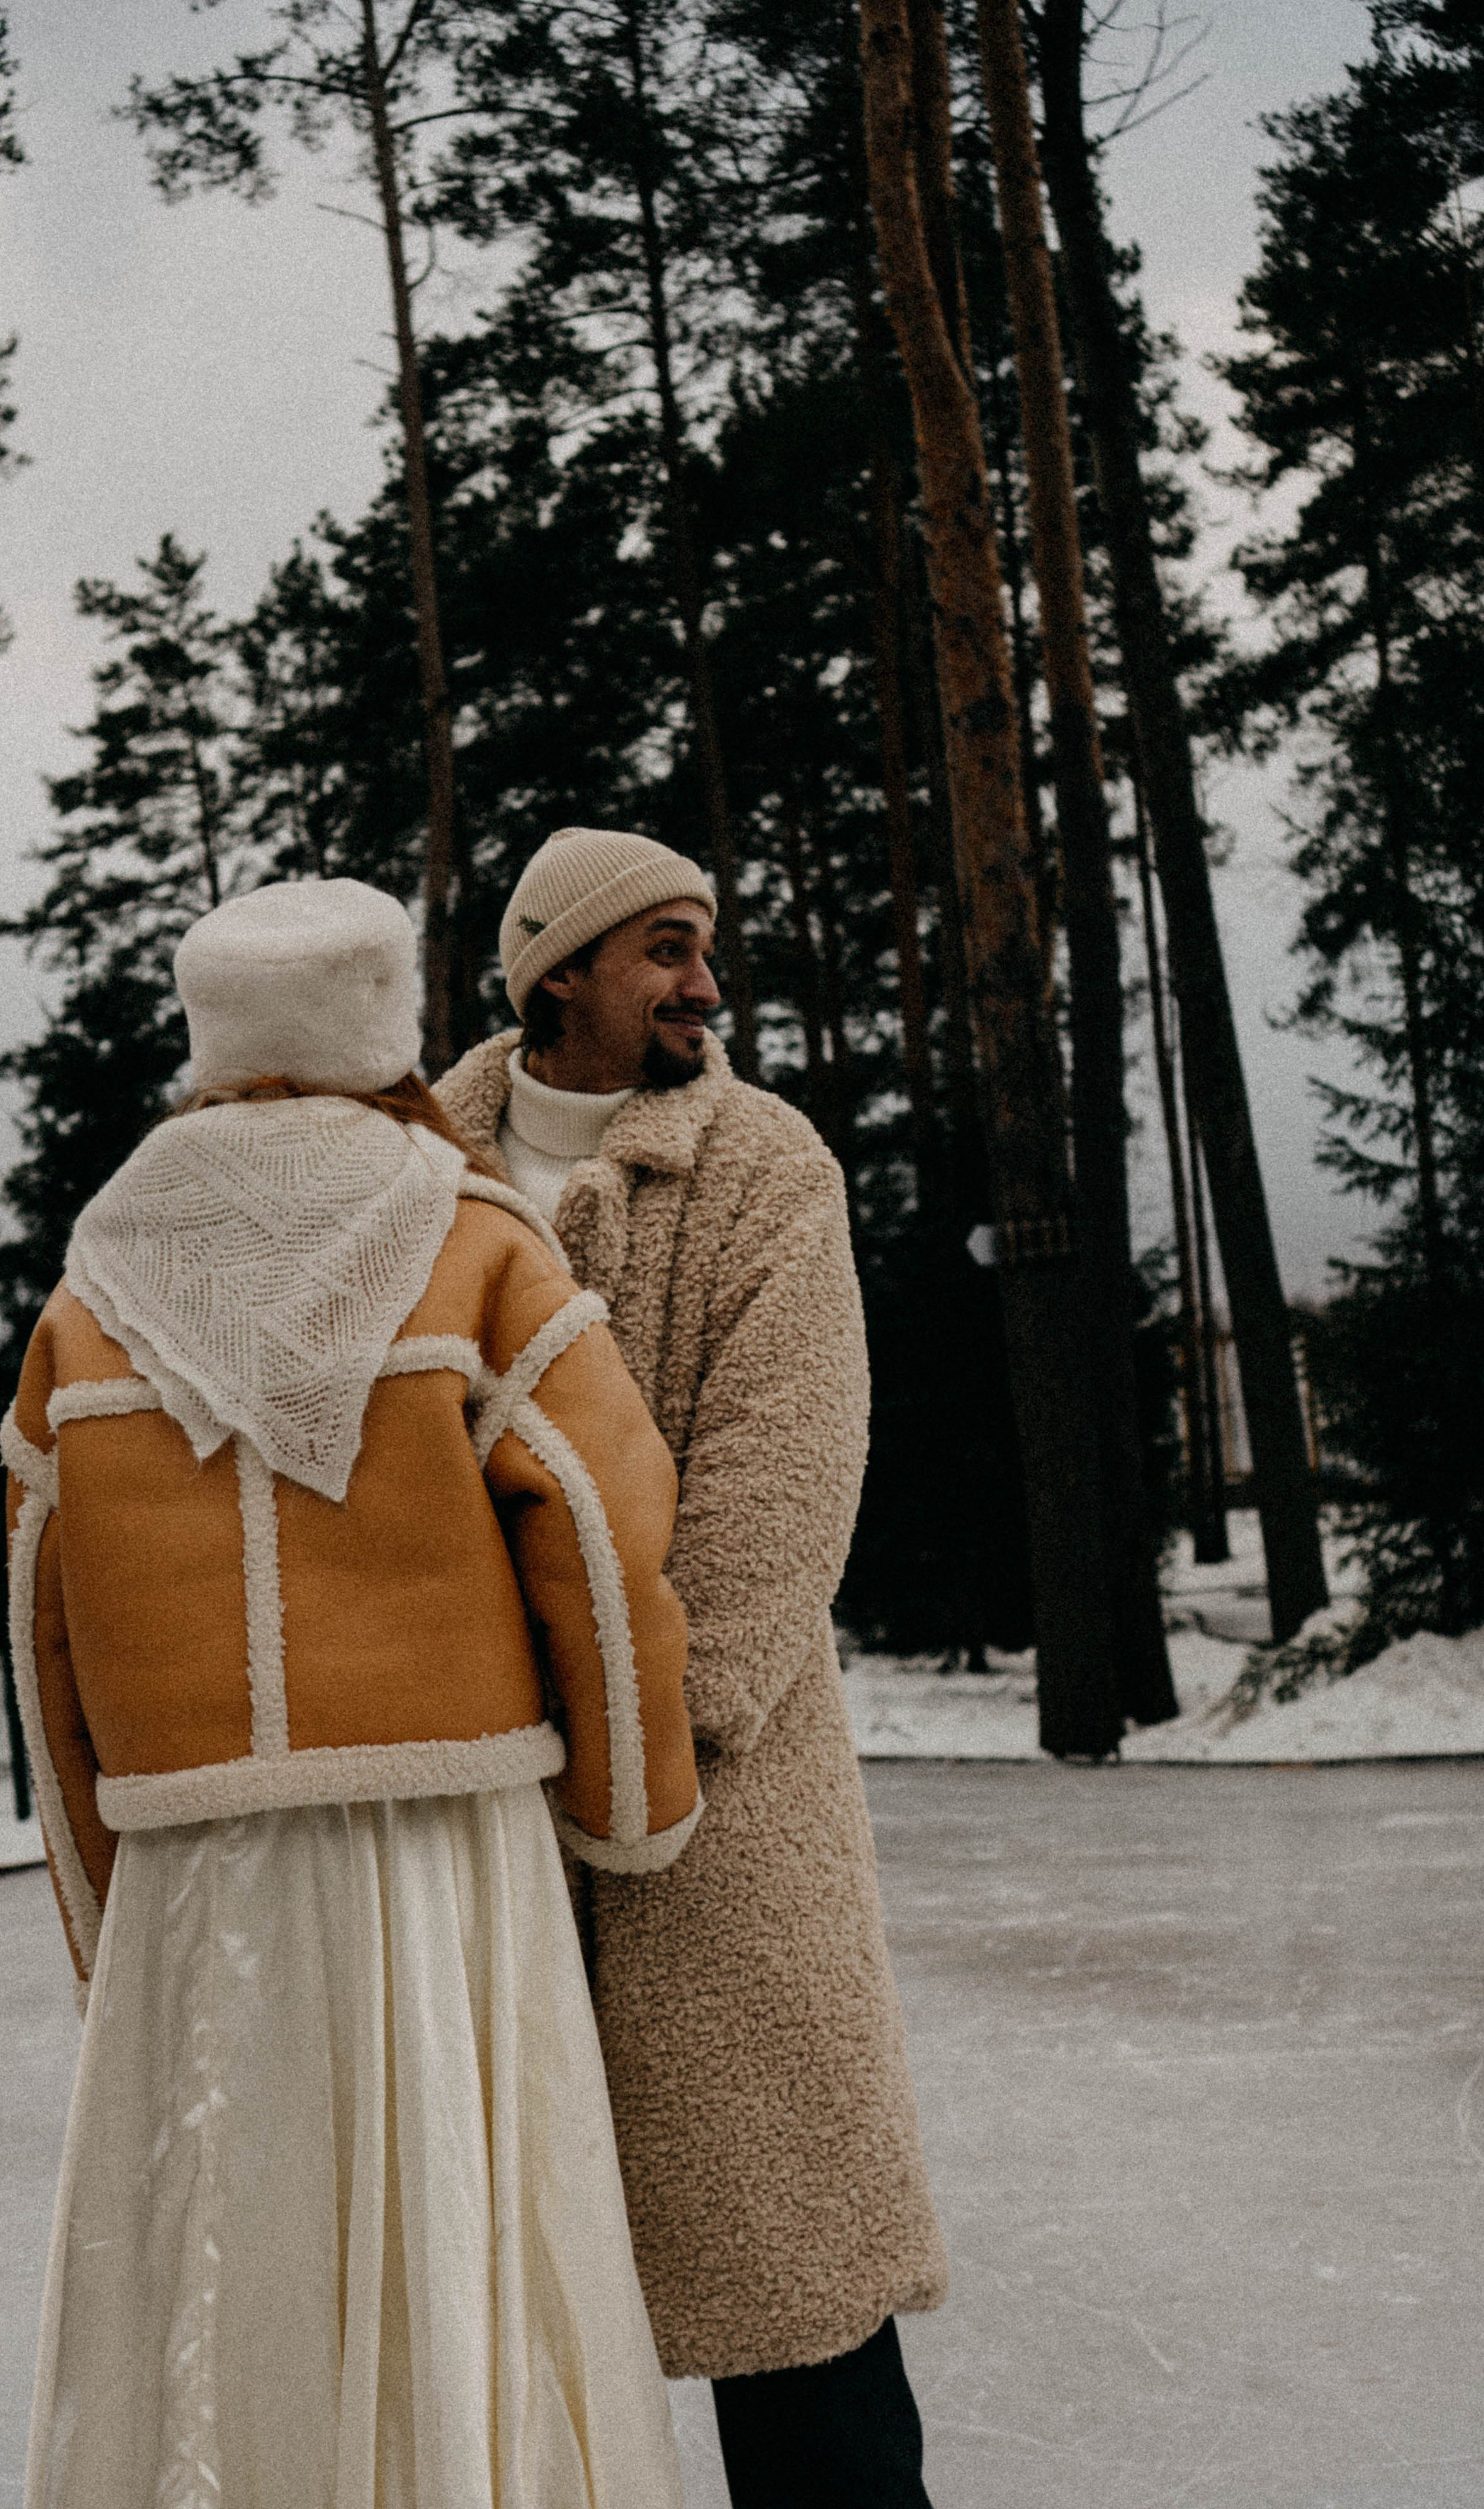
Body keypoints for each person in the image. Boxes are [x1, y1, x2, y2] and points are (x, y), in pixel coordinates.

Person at [4, 877, 702, 2509]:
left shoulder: (91, 1283)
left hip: (194, 1878)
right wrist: (628, 1811)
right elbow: (600, 1533)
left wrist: (109, 1908)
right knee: (464, 2247)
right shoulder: (469, 1239)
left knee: (221, 2272)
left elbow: (43, 1629)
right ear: (384, 1023)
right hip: (437, 1859)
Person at [437, 827, 949, 2509]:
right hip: (472, 1798)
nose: (703, 982)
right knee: (494, 2293)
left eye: (703, 945)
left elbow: (783, 1476)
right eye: (662, 948)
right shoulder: (410, 1173)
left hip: (720, 1807)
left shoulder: (759, 1161)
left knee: (790, 2274)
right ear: (555, 973)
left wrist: (666, 1719)